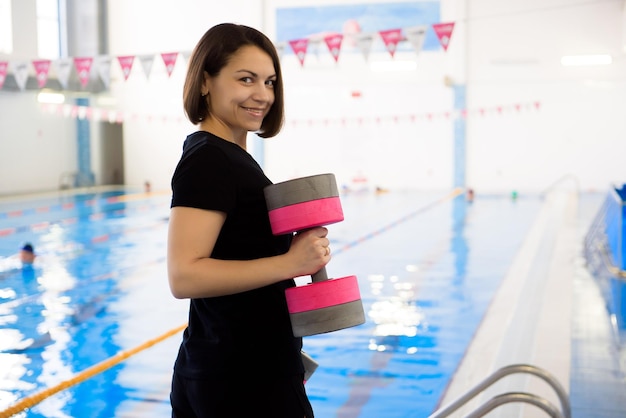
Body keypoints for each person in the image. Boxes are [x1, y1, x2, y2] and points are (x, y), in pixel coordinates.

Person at [167, 23, 329, 418]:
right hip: (239, 381)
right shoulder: (209, 159)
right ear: (206, 81)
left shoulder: (228, 155)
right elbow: (183, 276)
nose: (263, 94)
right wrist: (291, 262)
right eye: (246, 79)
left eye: (270, 81)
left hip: (244, 368)